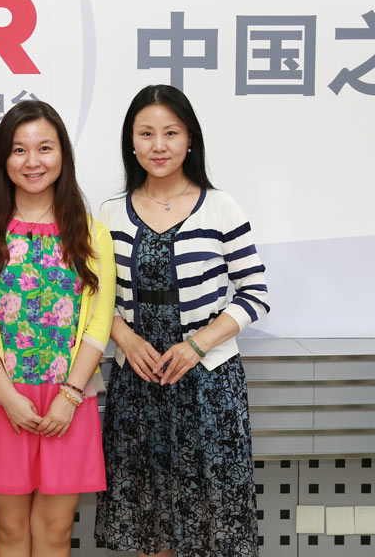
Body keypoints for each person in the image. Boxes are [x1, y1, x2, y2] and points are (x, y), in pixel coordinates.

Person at [95, 84, 270, 557]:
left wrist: (196, 345)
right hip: (139, 384)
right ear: (131, 142)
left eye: (171, 133)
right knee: (149, 524)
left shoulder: (220, 206)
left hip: (208, 387)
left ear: (190, 139)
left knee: (210, 526)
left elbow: (255, 293)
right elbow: (95, 298)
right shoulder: (110, 214)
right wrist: (126, 340)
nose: (159, 145)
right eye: (146, 133)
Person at [0, 100, 115, 556]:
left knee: (56, 531)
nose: (32, 161)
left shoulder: (91, 234)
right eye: (19, 150)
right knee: (9, 532)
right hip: (0, 399)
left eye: (45, 148)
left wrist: (70, 396)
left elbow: (99, 325)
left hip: (70, 401)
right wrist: (7, 396)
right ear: (3, 159)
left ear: (62, 154)